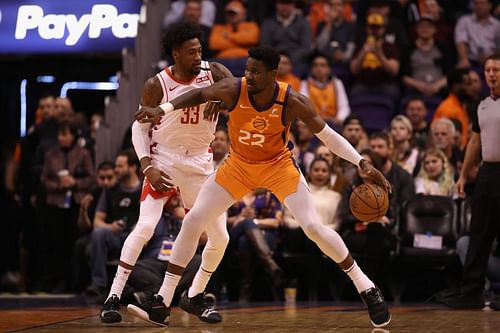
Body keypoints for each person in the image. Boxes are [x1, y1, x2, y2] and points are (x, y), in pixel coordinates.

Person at [134, 46, 392, 328]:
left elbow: (328, 136)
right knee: (194, 220)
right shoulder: (234, 88)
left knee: (313, 227)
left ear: (273, 74)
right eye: (247, 69)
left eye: (255, 71)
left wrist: (360, 162)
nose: (248, 75)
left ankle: (366, 287)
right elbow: (199, 94)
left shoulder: (292, 101)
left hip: (278, 167)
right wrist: (163, 107)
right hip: (238, 166)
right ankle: (164, 299)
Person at [100, 23, 234, 324]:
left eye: (200, 49)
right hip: (165, 161)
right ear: (176, 53)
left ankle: (194, 296)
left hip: (200, 164)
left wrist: (221, 96)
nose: (198, 55)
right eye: (191, 52)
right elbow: (139, 127)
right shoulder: (156, 84)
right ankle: (113, 296)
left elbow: (236, 90)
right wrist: (147, 165)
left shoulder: (214, 72)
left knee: (220, 237)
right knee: (146, 226)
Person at [438, 54, 500, 309]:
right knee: (478, 233)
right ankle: (472, 291)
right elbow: (475, 141)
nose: (492, 74)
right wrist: (464, 174)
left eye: (496, 69)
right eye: (488, 69)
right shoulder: (481, 104)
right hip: (487, 172)